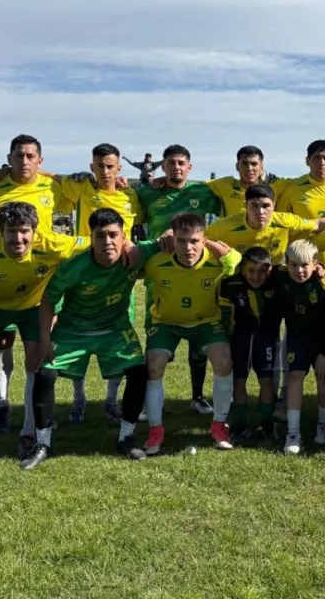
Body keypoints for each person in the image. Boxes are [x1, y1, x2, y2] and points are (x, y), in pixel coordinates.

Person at [20, 209, 162, 469]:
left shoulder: (137, 253)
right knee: (44, 373)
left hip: (114, 328)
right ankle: (43, 444)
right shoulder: (74, 266)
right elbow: (48, 300)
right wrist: (44, 340)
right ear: (91, 238)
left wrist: (135, 247)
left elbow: (172, 235)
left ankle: (126, 438)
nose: (107, 242)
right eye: (100, 236)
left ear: (123, 236)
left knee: (139, 370)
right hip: (73, 329)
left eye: (113, 235)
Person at [0, 202, 88, 458]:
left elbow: (92, 242)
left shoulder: (53, 244)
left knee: (37, 364)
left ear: (35, 231)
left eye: (24, 231)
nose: (18, 238)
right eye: (11, 231)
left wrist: (129, 244)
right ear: (1, 231)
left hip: (34, 308)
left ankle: (28, 432)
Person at [55, 143, 144, 424]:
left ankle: (111, 400)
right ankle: (79, 398)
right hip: (85, 273)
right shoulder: (82, 188)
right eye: (99, 165)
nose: (105, 171)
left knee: (118, 339)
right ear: (91, 166)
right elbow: (48, 179)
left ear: (119, 168)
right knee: (77, 337)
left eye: (110, 166)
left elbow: (136, 226)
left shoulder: (131, 196)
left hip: (119, 277)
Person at [136, 144, 225, 416]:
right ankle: (148, 400)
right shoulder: (146, 193)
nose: (176, 167)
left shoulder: (206, 191)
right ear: (162, 166)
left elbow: (242, 186)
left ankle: (198, 396)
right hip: (162, 272)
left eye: (181, 163)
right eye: (171, 163)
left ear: (190, 167)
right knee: (157, 342)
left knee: (199, 342)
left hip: (197, 269)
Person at [141, 212, 241, 454]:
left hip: (205, 322)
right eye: (182, 241)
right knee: (153, 365)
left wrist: (214, 245)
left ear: (203, 240)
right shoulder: (156, 262)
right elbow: (131, 255)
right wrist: (154, 243)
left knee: (224, 360)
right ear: (172, 240)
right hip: (166, 322)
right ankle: (156, 430)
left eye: (195, 241)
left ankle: (219, 426)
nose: (188, 247)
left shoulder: (215, 261)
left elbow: (236, 260)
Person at [264, 240, 325, 455]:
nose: (299, 270)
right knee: (294, 377)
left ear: (315, 264)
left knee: (322, 377)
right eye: (294, 265)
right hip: (297, 338)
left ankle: (323, 425)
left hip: (323, 341)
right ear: (286, 264)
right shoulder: (279, 275)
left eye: (305, 265)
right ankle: (293, 432)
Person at [218, 247, 280, 441]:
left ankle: (267, 423)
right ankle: (241, 424)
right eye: (251, 270)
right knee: (239, 381)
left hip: (266, 338)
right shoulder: (230, 284)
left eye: (262, 271)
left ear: (269, 270)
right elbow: (224, 317)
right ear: (243, 269)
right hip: (240, 339)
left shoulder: (278, 280)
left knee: (267, 381)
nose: (256, 276)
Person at [205, 183, 325, 264]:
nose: (260, 211)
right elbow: (200, 240)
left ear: (273, 205)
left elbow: (318, 224)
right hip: (238, 280)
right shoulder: (224, 226)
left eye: (265, 206)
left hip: (272, 278)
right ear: (245, 206)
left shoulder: (285, 221)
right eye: (254, 205)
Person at [272, 139, 325, 272]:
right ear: (307, 161)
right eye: (316, 158)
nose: (322, 163)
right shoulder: (292, 188)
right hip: (300, 263)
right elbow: (282, 228)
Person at [207, 146, 267, 216]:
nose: (249, 168)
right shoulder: (226, 185)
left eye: (254, 164)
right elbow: (195, 185)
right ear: (237, 166)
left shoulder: (271, 190)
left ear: (261, 167)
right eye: (244, 163)